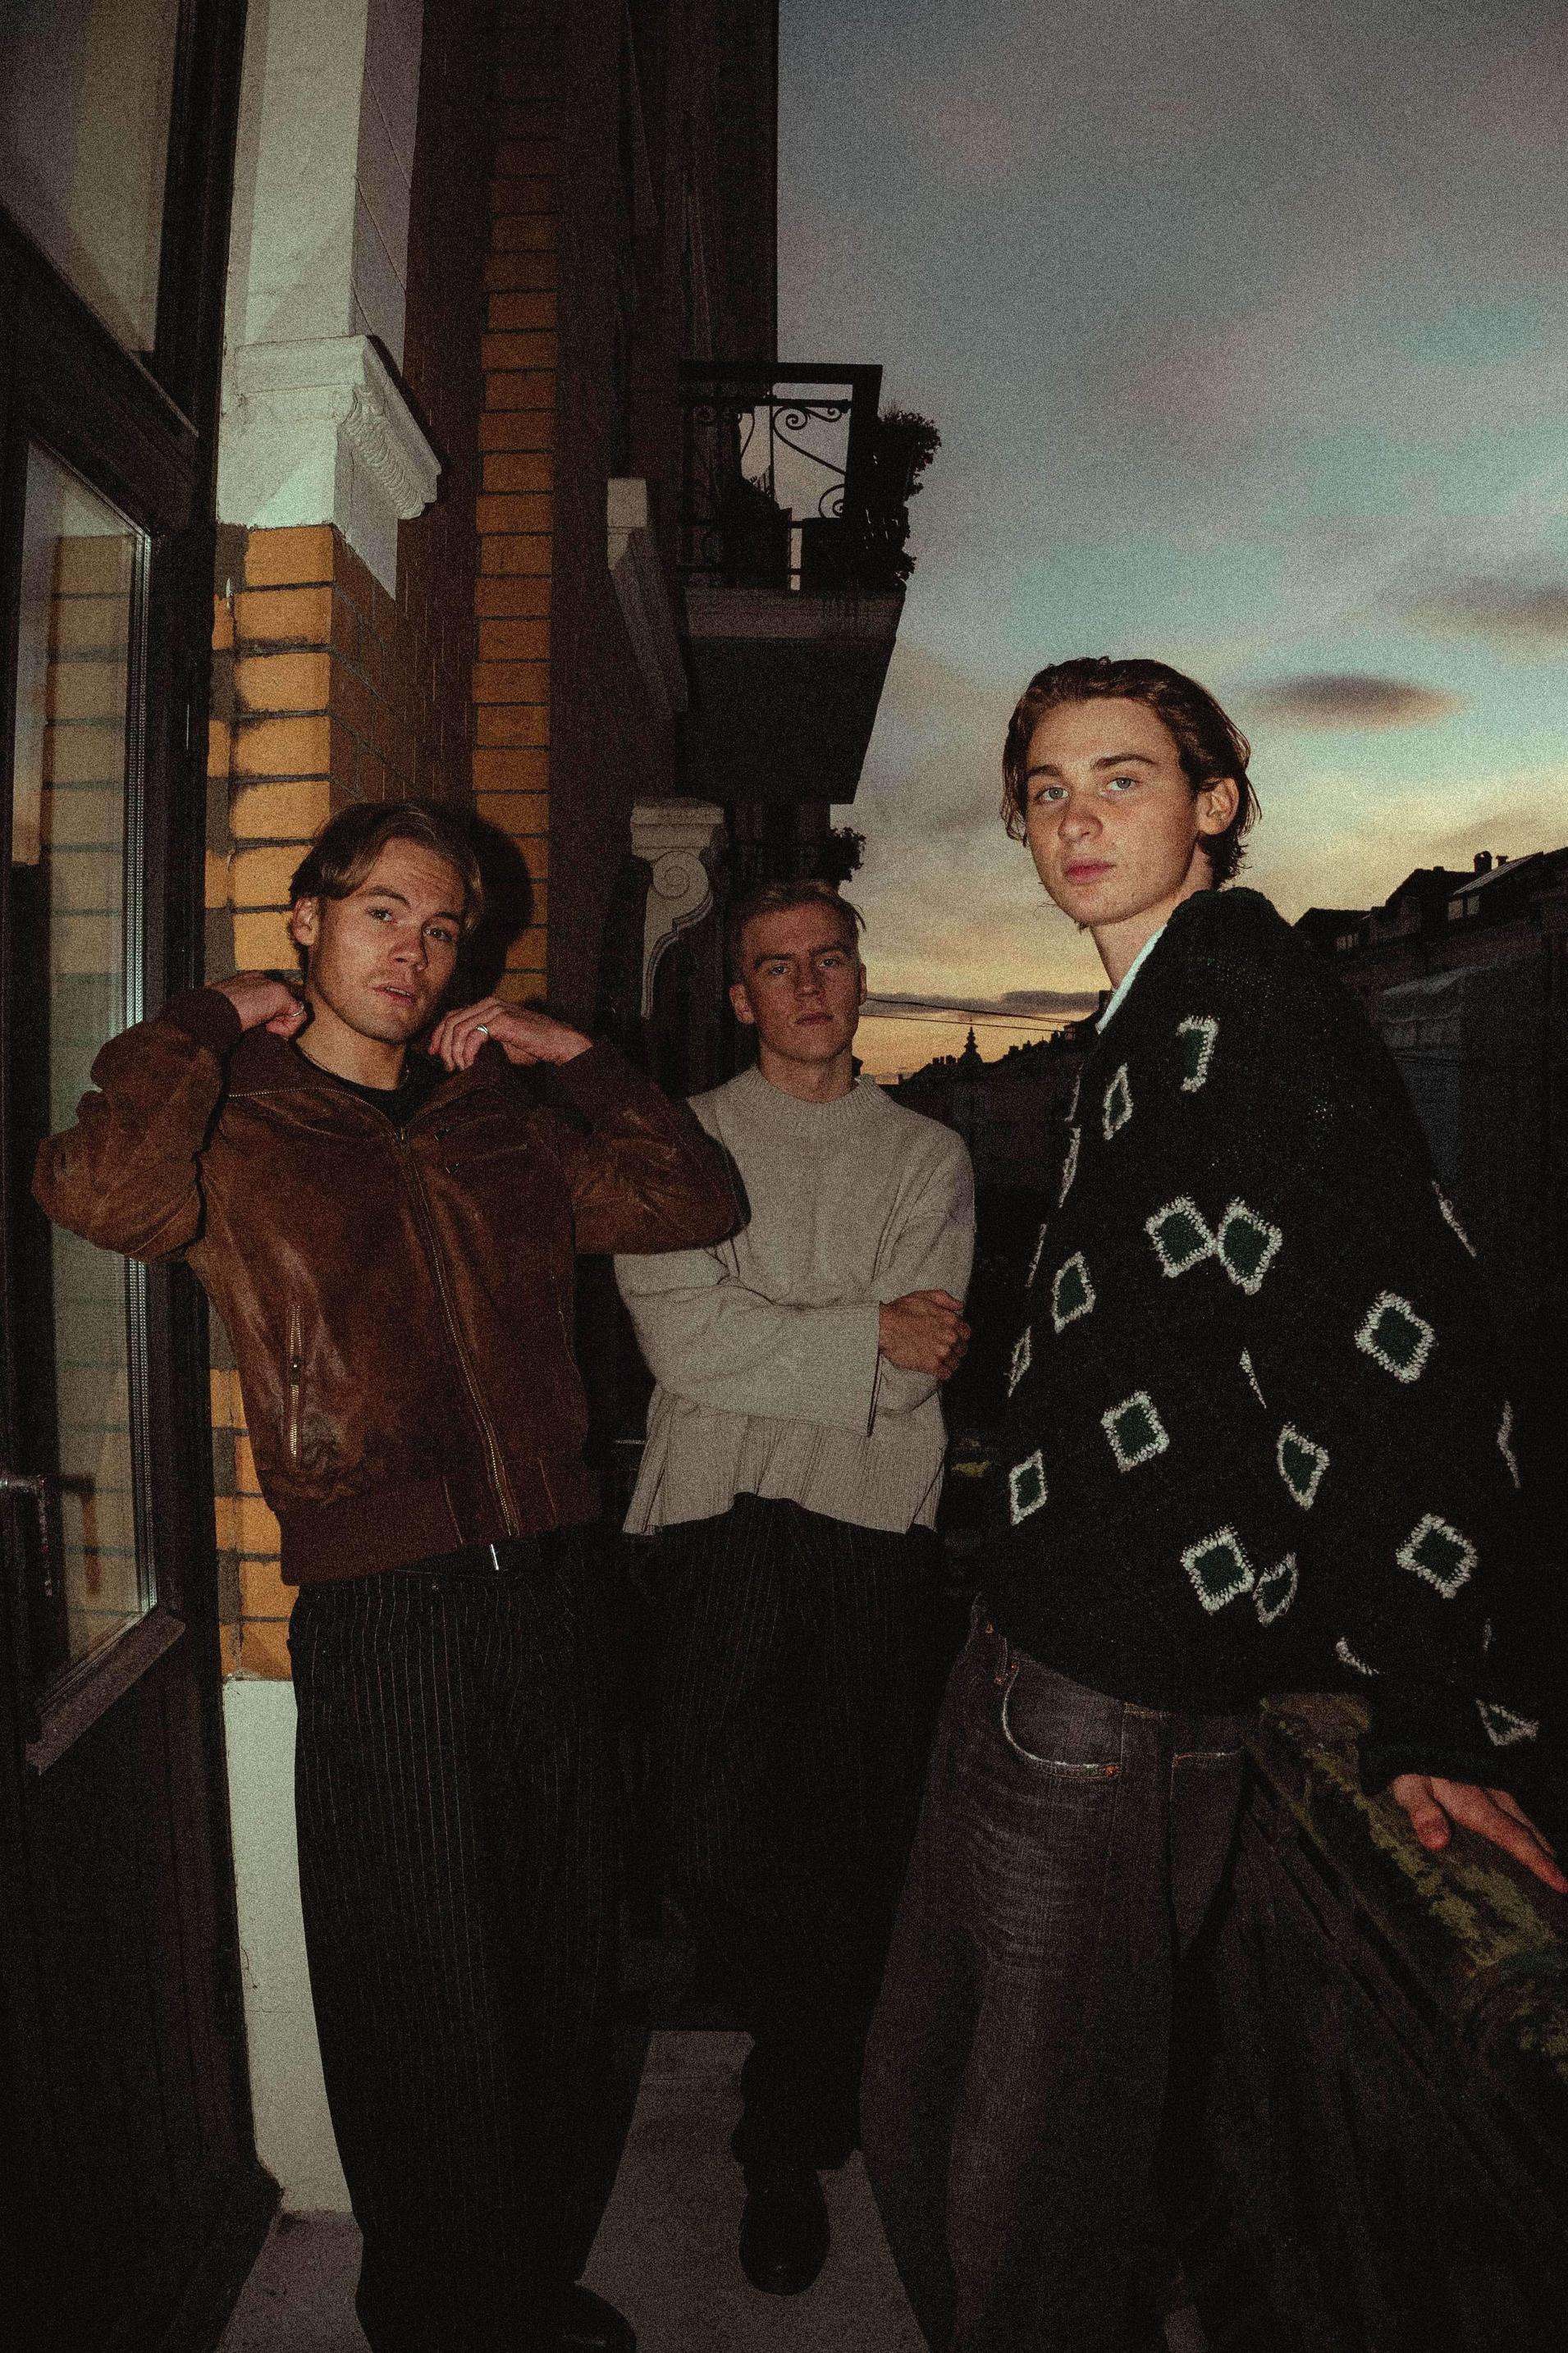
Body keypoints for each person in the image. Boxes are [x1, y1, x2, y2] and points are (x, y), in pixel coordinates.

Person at [861, 657, 1566, 2353]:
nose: (1075, 818)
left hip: (1121, 1688)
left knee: (1027, 2196)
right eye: (1045, 789)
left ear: (1214, 803)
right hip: (1029, 1642)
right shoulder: (1149, 1020)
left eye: (1123, 777)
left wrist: (1425, 1701)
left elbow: (1410, 1349)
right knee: (914, 2106)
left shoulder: (1247, 1007)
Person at [34, 800, 737, 2353]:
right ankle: (440, 2318)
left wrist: (576, 1057)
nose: (414, 953)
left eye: (441, 930)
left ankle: (523, 2290)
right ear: (306, 920)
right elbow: (103, 1196)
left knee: (560, 1972)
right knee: (422, 1996)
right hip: (387, 1604)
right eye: (380, 915)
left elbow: (693, 1197)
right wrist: (201, 1023)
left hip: (552, 1579)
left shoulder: (497, 1124)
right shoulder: (234, 1127)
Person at [614, 878, 975, 2296]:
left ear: (859, 978)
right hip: (715, 1522)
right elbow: (681, 1346)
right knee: (704, 1835)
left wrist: (782, 1334)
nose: (810, 985)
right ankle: (812, 2053)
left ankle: (786, 2131)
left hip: (869, 1529)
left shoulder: (927, 1155)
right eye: (779, 966)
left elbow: (920, 1366)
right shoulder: (678, 1143)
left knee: (848, 1845)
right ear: (740, 996)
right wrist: (857, 1332)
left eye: (831, 959)